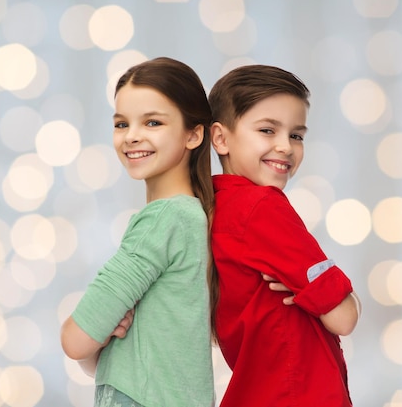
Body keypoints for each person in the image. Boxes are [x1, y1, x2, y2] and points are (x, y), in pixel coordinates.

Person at [61, 57, 215, 407]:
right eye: (121, 123)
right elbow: (96, 359)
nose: (131, 136)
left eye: (153, 122)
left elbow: (75, 340)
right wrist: (101, 333)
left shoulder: (164, 220)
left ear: (194, 134)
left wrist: (96, 330)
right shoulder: (192, 215)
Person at [208, 64, 361, 407]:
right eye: (267, 130)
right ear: (220, 138)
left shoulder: (214, 208)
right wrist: (346, 297)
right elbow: (343, 316)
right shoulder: (263, 208)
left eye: (296, 135)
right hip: (298, 394)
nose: (286, 147)